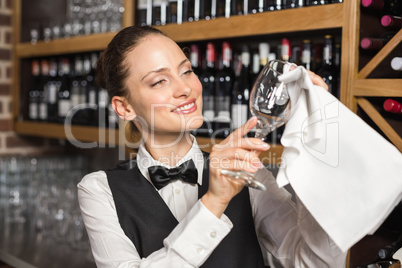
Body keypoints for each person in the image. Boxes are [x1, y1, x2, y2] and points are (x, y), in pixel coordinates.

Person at [77, 25, 347, 267]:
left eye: (186, 71)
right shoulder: (100, 190)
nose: (185, 88)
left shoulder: (247, 172)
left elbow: (316, 262)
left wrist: (314, 148)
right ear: (123, 107)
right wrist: (214, 201)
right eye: (159, 80)